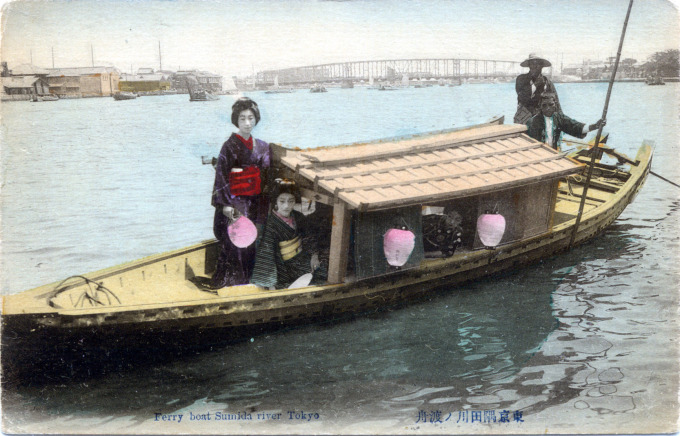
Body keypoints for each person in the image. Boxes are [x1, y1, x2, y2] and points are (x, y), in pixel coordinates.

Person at [210, 97, 271, 288]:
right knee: (236, 243)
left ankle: (251, 282)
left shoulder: (263, 146)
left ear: (256, 119)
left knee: (254, 242)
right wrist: (225, 205)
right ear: (236, 120)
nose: (247, 123)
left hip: (255, 201)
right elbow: (221, 176)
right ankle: (232, 284)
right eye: (243, 118)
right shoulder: (228, 146)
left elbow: (267, 176)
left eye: (251, 118)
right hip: (235, 202)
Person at [250, 180, 327, 290]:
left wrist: (314, 255)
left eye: (291, 201)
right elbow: (267, 253)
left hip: (301, 259)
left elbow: (308, 236)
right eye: (282, 201)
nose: (286, 206)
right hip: (283, 265)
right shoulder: (271, 223)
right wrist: (271, 282)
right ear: (276, 202)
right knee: (285, 285)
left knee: (323, 271)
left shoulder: (298, 216)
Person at [526, 93, 605, 150]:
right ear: (540, 106)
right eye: (544, 105)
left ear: (555, 105)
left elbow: (575, 127)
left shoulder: (559, 118)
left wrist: (595, 126)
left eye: (551, 105)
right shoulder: (532, 122)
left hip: (555, 153)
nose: (548, 108)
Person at [514, 54, 561, 124]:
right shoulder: (521, 79)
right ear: (529, 66)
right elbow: (522, 97)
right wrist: (535, 85)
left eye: (538, 64)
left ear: (542, 66)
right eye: (532, 64)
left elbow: (556, 102)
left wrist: (561, 121)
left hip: (542, 121)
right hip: (524, 120)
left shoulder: (547, 82)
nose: (535, 66)